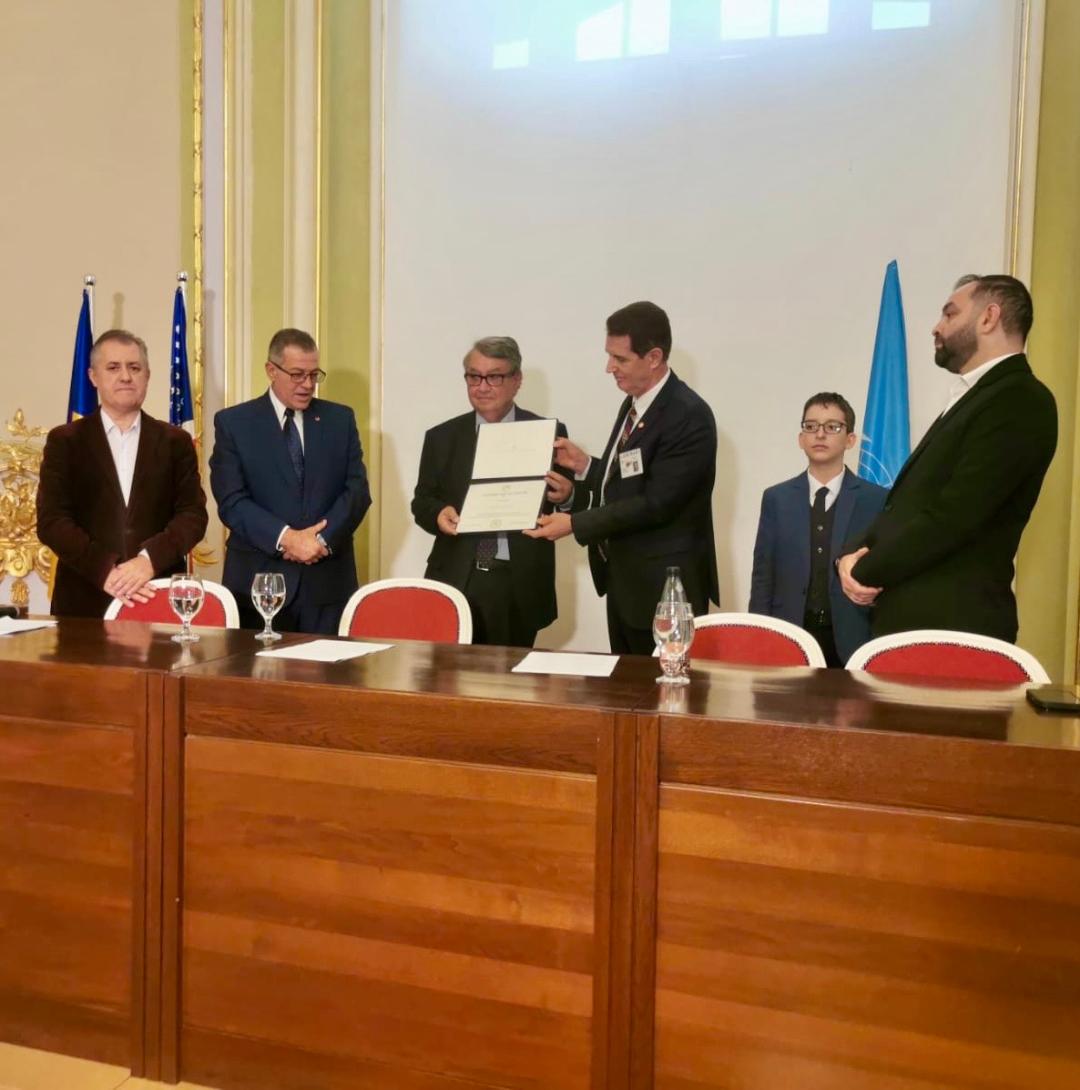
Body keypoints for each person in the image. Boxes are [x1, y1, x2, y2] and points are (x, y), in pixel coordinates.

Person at [837, 274, 1057, 642]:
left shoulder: (1019, 398)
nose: (937, 327)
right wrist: (846, 556)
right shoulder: (976, 397)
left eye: (950, 314)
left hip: (953, 632)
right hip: (914, 628)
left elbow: (954, 517)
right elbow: (905, 507)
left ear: (989, 318)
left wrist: (864, 570)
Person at [526, 301, 718, 654]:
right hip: (627, 584)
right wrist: (586, 466)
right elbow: (632, 479)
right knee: (625, 684)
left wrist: (575, 524)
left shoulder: (688, 415)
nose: (609, 368)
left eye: (620, 359)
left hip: (665, 591)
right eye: (609, 356)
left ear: (654, 357)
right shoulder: (635, 404)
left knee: (663, 686)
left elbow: (657, 503)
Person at [411, 336, 573, 647]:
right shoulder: (441, 437)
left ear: (516, 380)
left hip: (518, 579)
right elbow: (422, 501)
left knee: (514, 673)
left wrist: (566, 497)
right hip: (458, 574)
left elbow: (564, 503)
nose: (482, 386)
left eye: (494, 377)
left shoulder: (548, 433)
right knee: (450, 673)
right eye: (474, 376)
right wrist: (438, 513)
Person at [209, 328, 371, 634]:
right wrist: (287, 538)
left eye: (314, 375)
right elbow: (231, 500)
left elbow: (357, 491)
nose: (307, 384)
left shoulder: (340, 420)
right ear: (271, 370)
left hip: (326, 585)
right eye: (297, 375)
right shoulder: (234, 423)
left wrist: (319, 541)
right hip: (258, 585)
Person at [37, 329, 208, 617]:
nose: (126, 376)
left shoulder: (175, 441)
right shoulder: (65, 441)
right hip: (84, 601)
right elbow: (52, 521)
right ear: (93, 376)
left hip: (158, 595)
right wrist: (106, 571)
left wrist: (148, 561)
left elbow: (193, 515)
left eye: (134, 368)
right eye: (113, 367)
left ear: (147, 376)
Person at [749, 393, 887, 666]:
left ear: (850, 439)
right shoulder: (777, 498)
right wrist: (759, 634)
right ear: (801, 438)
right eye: (811, 426)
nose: (820, 434)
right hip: (790, 635)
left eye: (832, 427)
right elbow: (763, 575)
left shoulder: (875, 499)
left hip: (853, 638)